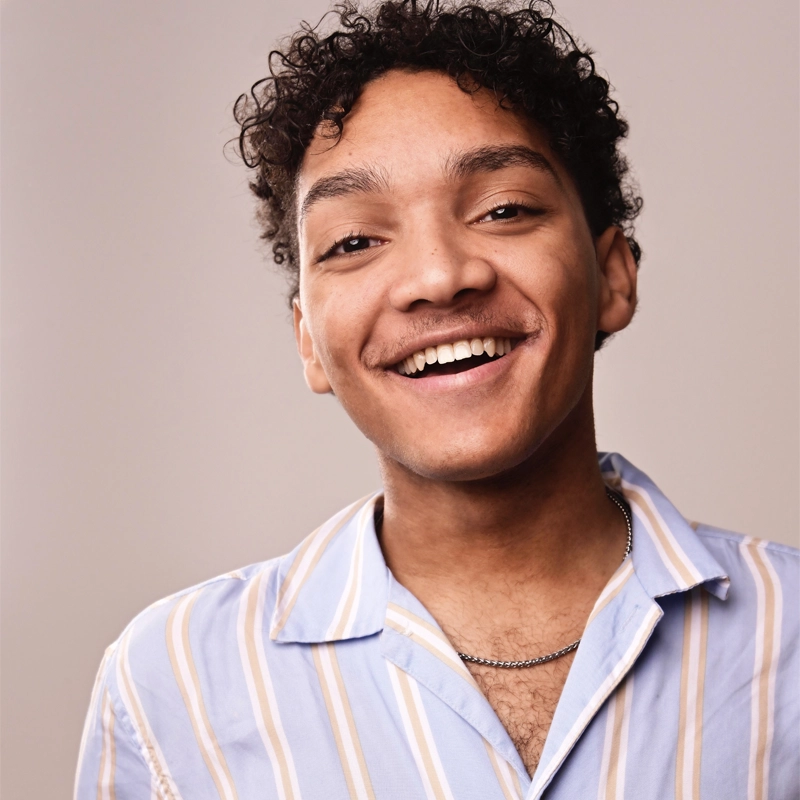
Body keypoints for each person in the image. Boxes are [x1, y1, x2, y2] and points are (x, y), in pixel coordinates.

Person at [75, 2, 798, 798]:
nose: (438, 276)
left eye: (503, 209)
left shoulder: (788, 634)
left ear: (613, 277)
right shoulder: (171, 683)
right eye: (355, 241)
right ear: (309, 341)